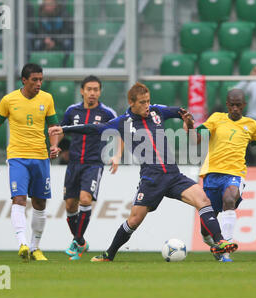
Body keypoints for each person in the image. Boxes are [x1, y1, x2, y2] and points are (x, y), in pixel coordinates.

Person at [49, 82, 238, 262]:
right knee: (134, 221)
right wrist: (64, 128)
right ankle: (109, 253)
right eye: (142, 102)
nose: (147, 105)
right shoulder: (122, 122)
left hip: (173, 175)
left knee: (203, 201)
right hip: (151, 179)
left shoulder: (156, 111)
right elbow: (93, 128)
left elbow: (180, 112)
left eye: (148, 101)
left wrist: (187, 120)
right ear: (131, 103)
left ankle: (219, 241)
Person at [188, 89, 256, 262]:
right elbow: (196, 139)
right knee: (205, 230)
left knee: (230, 199)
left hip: (235, 174)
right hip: (211, 175)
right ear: (227, 104)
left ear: (244, 105)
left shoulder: (251, 125)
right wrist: (188, 126)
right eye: (231, 105)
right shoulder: (216, 118)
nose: (235, 108)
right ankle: (215, 246)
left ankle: (226, 250)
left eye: (238, 105)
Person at [0, 63, 60, 262]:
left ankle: (36, 247)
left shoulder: (47, 98)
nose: (38, 83)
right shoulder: (9, 100)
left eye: (41, 79)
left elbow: (54, 127)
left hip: (40, 157)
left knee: (39, 202)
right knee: (19, 199)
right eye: (35, 80)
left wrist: (54, 146)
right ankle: (23, 243)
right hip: (17, 156)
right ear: (24, 80)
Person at [59, 75, 119, 261]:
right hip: (74, 163)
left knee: (85, 200)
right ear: (82, 91)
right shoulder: (72, 111)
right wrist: (54, 147)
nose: (92, 93)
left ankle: (76, 242)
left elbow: (120, 132)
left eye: (96, 90)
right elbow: (61, 131)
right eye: (89, 89)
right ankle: (81, 241)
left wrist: (116, 155)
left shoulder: (108, 113)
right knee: (70, 205)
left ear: (100, 92)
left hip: (94, 163)